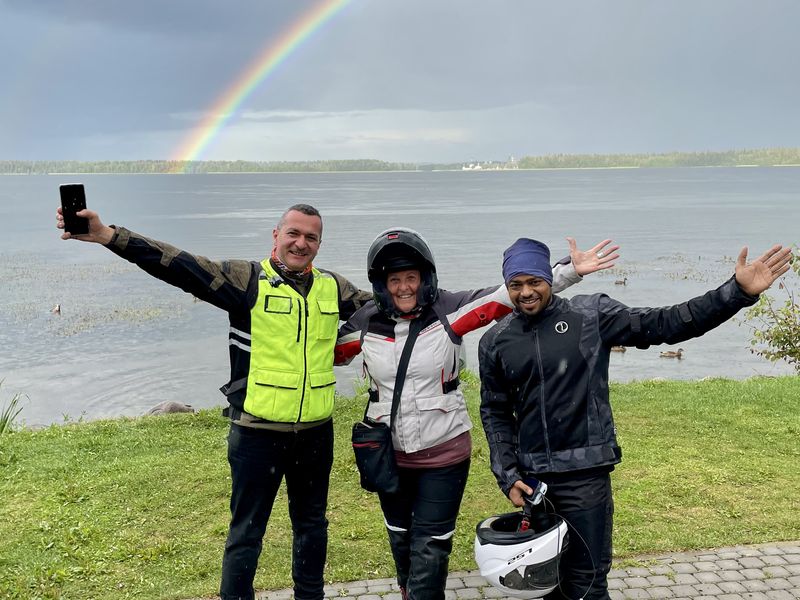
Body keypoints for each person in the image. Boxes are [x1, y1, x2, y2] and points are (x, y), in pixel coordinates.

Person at [56, 204, 372, 600]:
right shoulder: (246, 280)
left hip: (314, 434)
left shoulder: (333, 287)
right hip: (257, 435)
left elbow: (387, 305)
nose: (301, 243)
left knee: (312, 528)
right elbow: (177, 264)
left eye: (311, 237)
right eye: (293, 233)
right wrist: (108, 236)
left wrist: (424, 293)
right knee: (246, 534)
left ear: (320, 244)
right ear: (275, 236)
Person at [478, 238, 793, 600]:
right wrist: (509, 475)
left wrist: (735, 292)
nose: (526, 292)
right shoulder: (496, 341)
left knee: (587, 585)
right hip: (535, 484)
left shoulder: (590, 315)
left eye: (534, 281)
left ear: (549, 278)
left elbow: (668, 323)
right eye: (516, 285)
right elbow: (495, 411)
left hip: (586, 477)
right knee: (543, 584)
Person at [334, 228, 619, 600]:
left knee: (431, 546)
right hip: (388, 456)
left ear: (425, 278)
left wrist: (570, 271)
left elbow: (509, 296)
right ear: (381, 284)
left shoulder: (449, 312)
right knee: (401, 540)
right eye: (394, 280)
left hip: (443, 452)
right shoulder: (366, 323)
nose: (404, 287)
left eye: (411, 278)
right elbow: (323, 353)